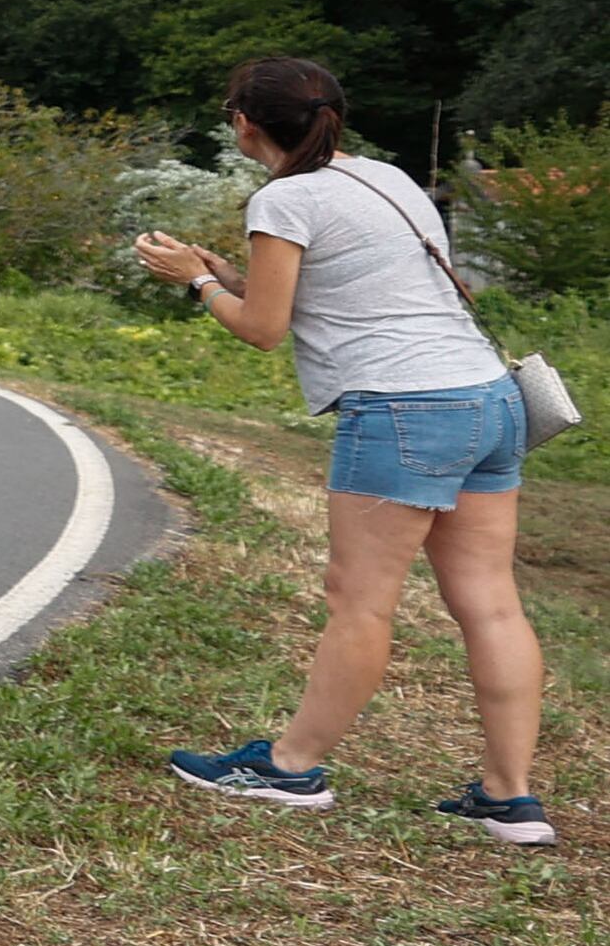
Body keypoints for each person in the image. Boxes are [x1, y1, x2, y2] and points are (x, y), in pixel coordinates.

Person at [141, 55, 550, 845]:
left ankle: (290, 768)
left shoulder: (283, 197)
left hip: (404, 410)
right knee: (492, 602)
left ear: (242, 124)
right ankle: (510, 797)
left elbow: (262, 329)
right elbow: (361, 287)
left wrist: (197, 284)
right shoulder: (387, 177)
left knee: (359, 600)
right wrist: (222, 269)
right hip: (488, 399)